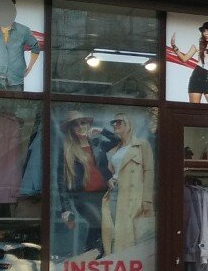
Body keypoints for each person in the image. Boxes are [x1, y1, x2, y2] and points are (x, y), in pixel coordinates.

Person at [57, 109, 116, 255]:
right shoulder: (67, 150)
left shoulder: (97, 143)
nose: (80, 127)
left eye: (83, 123)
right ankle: (93, 255)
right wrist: (66, 209)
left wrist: (101, 131)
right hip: (83, 197)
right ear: (71, 129)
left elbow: (117, 140)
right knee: (100, 224)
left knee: (102, 227)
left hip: (104, 195)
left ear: (88, 125)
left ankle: (92, 256)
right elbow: (61, 181)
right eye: (75, 125)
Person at [102, 112, 155, 255]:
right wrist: (110, 179)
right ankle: (118, 263)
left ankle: (130, 263)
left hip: (133, 194)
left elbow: (148, 172)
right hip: (115, 192)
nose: (115, 125)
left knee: (132, 233)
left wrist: (147, 201)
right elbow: (113, 171)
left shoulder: (141, 145)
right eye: (113, 123)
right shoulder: (114, 149)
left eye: (119, 122)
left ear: (129, 124)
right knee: (115, 232)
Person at [0, 0, 42, 91]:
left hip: (16, 80)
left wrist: (29, 68)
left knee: (16, 101)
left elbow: (35, 46)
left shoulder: (23, 31)